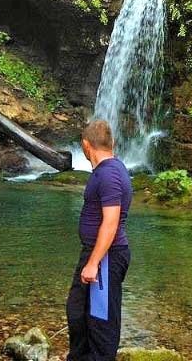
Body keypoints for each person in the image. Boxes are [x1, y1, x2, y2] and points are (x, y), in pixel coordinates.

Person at [66, 119, 132, 361]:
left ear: (85, 145)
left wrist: (94, 262)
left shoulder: (110, 174)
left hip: (106, 256)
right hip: (98, 254)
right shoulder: (109, 171)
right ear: (112, 143)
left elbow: (111, 221)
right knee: (77, 311)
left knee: (100, 322)